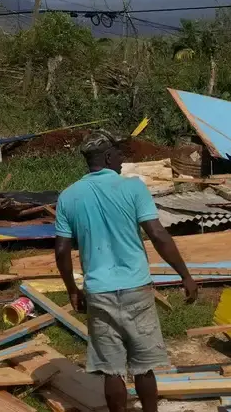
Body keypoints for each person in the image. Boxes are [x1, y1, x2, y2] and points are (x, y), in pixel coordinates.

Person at [54, 130, 198, 412]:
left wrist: (73, 289)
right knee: (144, 367)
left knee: (112, 370)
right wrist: (185, 275)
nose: (122, 158)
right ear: (107, 157)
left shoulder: (68, 197)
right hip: (136, 288)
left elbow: (61, 250)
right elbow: (157, 234)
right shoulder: (133, 188)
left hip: (98, 291)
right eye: (118, 153)